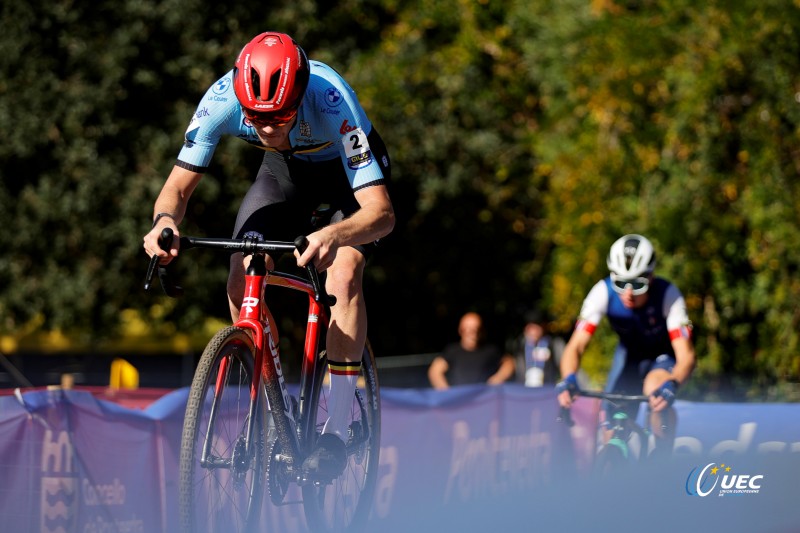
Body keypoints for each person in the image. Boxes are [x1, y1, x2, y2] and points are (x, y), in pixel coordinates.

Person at [142, 32, 394, 479]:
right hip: (283, 177)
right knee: (242, 274)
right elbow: (177, 188)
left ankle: (336, 426)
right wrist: (164, 221)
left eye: (280, 115)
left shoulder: (332, 98)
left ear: (300, 92)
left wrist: (334, 234)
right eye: (257, 118)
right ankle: (274, 406)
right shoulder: (221, 98)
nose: (269, 127)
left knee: (344, 270)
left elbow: (381, 212)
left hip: (345, 180)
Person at [556, 234, 695, 456]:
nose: (628, 293)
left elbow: (686, 356)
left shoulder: (668, 295)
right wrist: (569, 378)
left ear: (651, 277)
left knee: (655, 391)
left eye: (637, 284)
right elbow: (576, 346)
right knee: (611, 418)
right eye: (620, 283)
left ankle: (662, 460)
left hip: (662, 357)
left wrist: (674, 383)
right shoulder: (602, 292)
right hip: (629, 356)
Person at [428, 312, 516, 389]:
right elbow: (435, 371)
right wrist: (446, 392)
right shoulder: (452, 351)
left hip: (484, 400)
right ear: (460, 330)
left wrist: (497, 379)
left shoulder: (491, 350)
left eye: (476, 329)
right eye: (468, 329)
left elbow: (509, 363)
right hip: (459, 401)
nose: (473, 333)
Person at [509, 309, 562, 387]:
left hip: (547, 390)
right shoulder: (518, 344)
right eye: (529, 326)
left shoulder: (554, 343)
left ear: (543, 326)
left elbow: (563, 364)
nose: (532, 331)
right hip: (522, 390)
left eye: (536, 326)